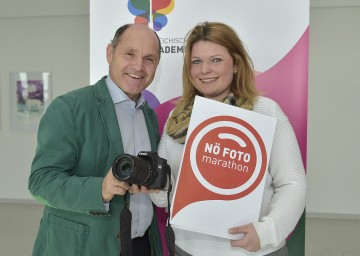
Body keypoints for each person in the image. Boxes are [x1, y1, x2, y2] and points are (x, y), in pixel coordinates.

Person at [149, 21, 307, 256]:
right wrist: (152, 184)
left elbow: (293, 183)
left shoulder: (264, 111)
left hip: (253, 251)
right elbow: (164, 197)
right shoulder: (178, 118)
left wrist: (267, 232)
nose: (205, 70)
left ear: (235, 64)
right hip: (189, 248)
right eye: (196, 62)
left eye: (215, 60)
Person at [28, 23, 164, 256]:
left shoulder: (150, 114)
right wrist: (100, 189)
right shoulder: (69, 108)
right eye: (130, 54)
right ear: (110, 53)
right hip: (85, 247)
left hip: (141, 245)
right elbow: (41, 182)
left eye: (149, 59)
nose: (139, 66)